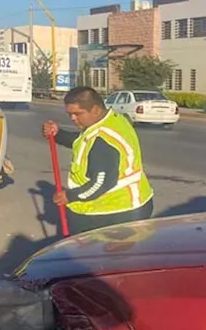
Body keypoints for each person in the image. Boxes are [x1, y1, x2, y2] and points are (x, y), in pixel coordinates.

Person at [41, 86, 154, 235]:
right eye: (70, 114)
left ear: (95, 109)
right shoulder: (112, 120)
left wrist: (69, 196)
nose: (73, 118)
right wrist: (58, 134)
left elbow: (101, 183)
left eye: (77, 114)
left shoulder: (102, 141)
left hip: (114, 212)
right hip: (130, 205)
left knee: (91, 256)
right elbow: (82, 141)